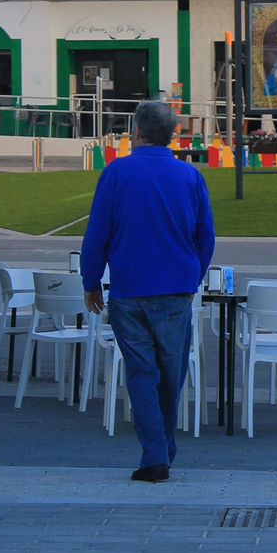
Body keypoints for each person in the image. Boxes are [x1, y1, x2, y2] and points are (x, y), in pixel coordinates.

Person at [80, 100, 215, 483]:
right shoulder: (189, 176)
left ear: (137, 132)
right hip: (175, 290)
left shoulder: (117, 172)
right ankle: (163, 451)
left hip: (130, 290)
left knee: (141, 372)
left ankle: (155, 454)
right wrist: (192, 277)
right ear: (172, 133)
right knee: (170, 373)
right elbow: (205, 236)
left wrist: (92, 281)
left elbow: (97, 235)